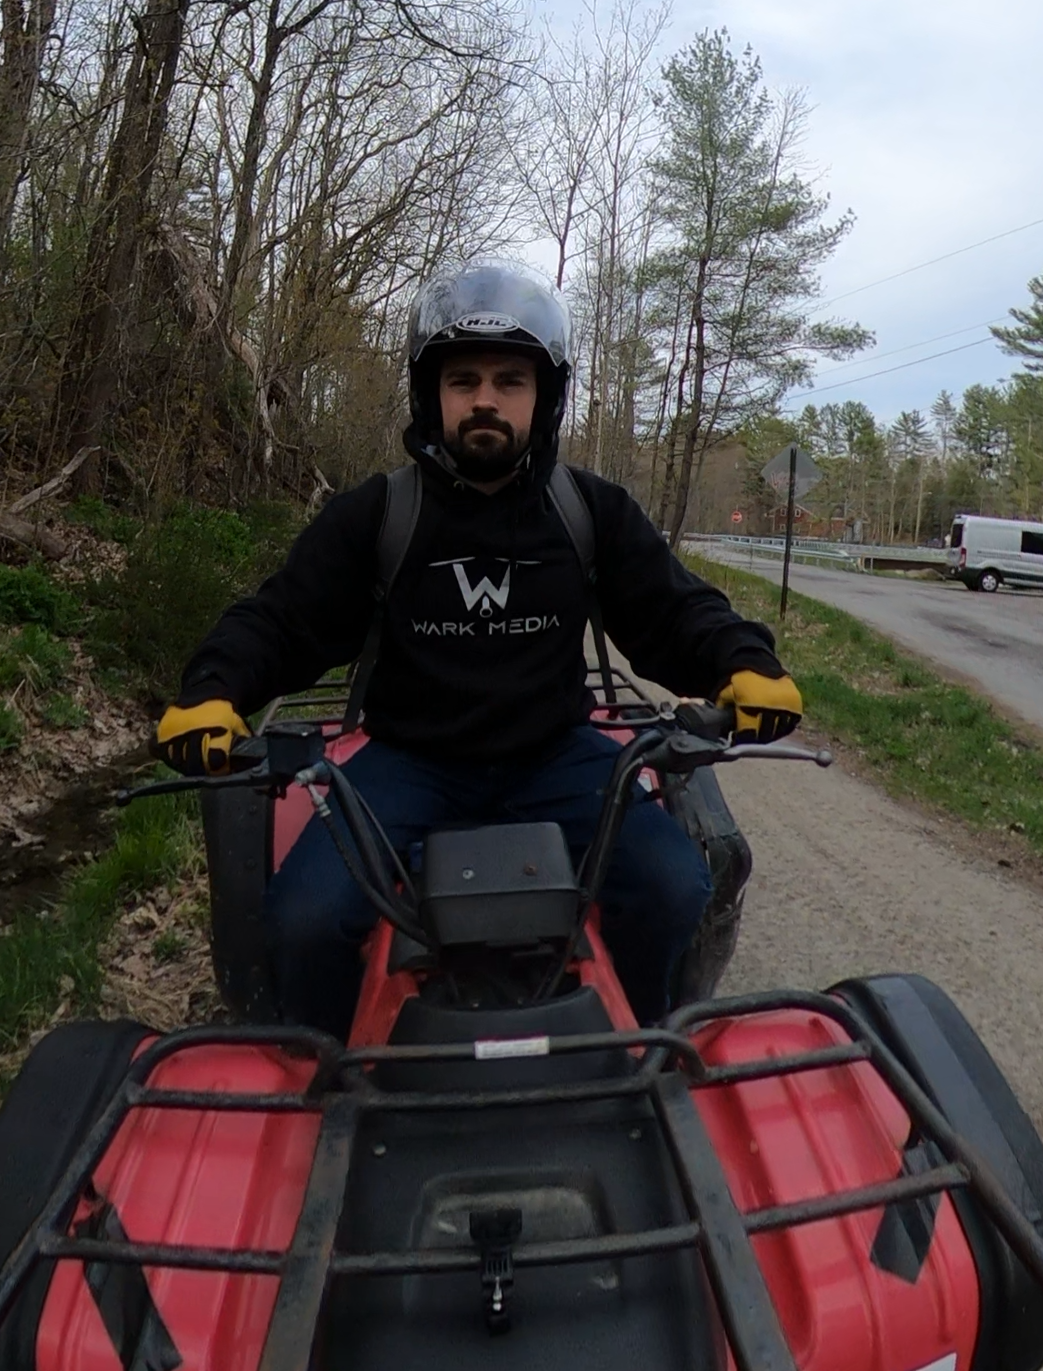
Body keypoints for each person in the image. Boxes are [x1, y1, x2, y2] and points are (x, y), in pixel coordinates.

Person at [154, 260, 801, 1038]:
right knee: (303, 918)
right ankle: (325, 1077)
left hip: (557, 754)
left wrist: (747, 663)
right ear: (433, 396)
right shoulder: (379, 514)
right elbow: (284, 619)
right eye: (463, 380)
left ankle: (639, 1048)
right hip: (406, 763)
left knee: (672, 885)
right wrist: (212, 690)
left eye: (509, 380)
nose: (485, 399)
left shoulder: (587, 511)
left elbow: (674, 610)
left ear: (545, 396)